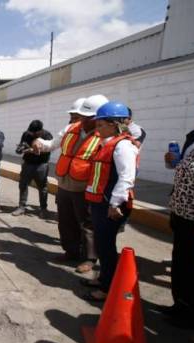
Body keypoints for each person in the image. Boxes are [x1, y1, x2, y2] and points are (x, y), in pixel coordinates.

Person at [32, 94, 109, 272]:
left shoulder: (105, 135)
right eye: (81, 116)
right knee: (66, 221)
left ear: (98, 118)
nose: (82, 120)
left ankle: (89, 258)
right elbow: (51, 144)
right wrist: (38, 142)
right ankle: (71, 252)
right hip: (65, 184)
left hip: (85, 187)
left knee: (87, 224)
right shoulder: (71, 128)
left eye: (86, 117)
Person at [79, 101, 138, 302]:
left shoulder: (123, 146)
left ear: (114, 124)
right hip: (100, 202)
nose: (97, 129)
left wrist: (114, 204)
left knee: (106, 246)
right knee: (102, 244)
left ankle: (107, 287)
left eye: (101, 125)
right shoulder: (107, 143)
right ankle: (104, 278)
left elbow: (126, 177)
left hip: (110, 205)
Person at [159, 97, 194, 329]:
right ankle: (178, 305)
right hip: (180, 212)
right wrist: (172, 162)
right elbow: (186, 170)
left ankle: (193, 315)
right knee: (179, 262)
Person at [12, 120, 53, 218]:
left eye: (33, 133)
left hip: (41, 165)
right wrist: (20, 149)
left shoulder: (47, 136)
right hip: (27, 164)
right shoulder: (26, 134)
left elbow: (49, 149)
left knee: (42, 187)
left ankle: (43, 209)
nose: (31, 134)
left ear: (39, 131)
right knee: (23, 185)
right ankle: (21, 207)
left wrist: (33, 150)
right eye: (30, 132)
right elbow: (22, 145)